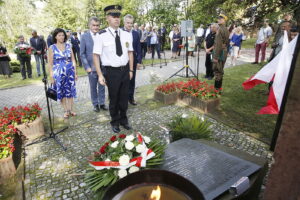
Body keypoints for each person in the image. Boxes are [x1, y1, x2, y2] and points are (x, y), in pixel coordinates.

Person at [93, 5, 134, 133]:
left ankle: (124, 119)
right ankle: (115, 121)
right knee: (114, 97)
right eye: (113, 16)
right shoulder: (101, 35)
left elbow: (130, 53)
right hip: (111, 71)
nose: (116, 19)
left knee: (124, 97)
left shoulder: (126, 34)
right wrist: (100, 75)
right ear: (107, 19)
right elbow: (96, 55)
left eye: (118, 16)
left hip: (125, 70)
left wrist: (131, 70)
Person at [48, 28, 77, 119]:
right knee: (62, 92)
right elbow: (50, 63)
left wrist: (75, 72)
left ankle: (71, 109)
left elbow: (73, 59)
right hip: (58, 74)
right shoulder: (52, 47)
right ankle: (65, 110)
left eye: (63, 35)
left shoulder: (68, 45)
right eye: (59, 35)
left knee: (70, 91)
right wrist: (51, 76)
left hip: (70, 73)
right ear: (55, 36)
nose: (61, 37)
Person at [80, 16, 107, 112]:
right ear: (89, 25)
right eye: (93, 25)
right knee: (93, 87)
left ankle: (102, 103)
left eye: (97, 25)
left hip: (102, 66)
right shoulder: (84, 37)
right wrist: (87, 67)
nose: (95, 27)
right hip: (91, 68)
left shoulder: (102, 35)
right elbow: (82, 53)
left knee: (102, 85)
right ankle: (95, 104)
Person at [123, 14, 142, 106]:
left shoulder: (136, 34)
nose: (129, 25)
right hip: (122, 62)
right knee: (123, 82)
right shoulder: (119, 32)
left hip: (133, 61)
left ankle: (131, 98)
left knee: (132, 80)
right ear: (124, 22)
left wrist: (139, 61)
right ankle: (123, 100)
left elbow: (139, 48)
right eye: (128, 23)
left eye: (131, 23)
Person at [212, 14, 230, 90]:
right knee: (220, 70)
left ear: (224, 20)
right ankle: (218, 88)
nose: (218, 20)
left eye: (221, 19)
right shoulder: (225, 29)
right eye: (218, 19)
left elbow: (218, 44)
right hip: (223, 51)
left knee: (218, 70)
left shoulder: (220, 29)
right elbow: (226, 42)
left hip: (219, 53)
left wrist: (215, 57)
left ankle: (217, 89)